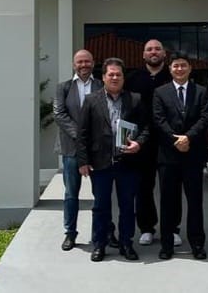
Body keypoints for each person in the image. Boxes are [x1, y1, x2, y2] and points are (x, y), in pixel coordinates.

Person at [77, 57, 149, 262]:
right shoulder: (91, 100)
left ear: (123, 77)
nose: (115, 77)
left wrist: (139, 144)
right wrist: (83, 161)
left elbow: (145, 128)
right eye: (111, 74)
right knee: (100, 206)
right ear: (104, 77)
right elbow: (83, 133)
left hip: (128, 163)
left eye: (118, 74)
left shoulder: (135, 99)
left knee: (127, 206)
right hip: (100, 163)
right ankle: (99, 244)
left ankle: (126, 243)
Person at [125, 39, 182, 247]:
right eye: (149, 49)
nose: (153, 52)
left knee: (171, 187)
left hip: (168, 140)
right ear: (143, 55)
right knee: (143, 187)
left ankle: (172, 228)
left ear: (164, 54)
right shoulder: (133, 79)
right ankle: (147, 227)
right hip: (142, 142)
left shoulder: (172, 77)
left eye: (157, 48)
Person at [153, 51, 208, 260]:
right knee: (168, 202)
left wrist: (188, 138)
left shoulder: (201, 91)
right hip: (168, 156)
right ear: (170, 69)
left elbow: (205, 118)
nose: (179, 69)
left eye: (183, 65)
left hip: (193, 155)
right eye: (176, 65)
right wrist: (176, 140)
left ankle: (197, 244)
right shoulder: (160, 92)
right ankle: (167, 245)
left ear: (190, 68)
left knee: (195, 202)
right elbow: (158, 120)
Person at [53, 49, 103, 251]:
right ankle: (70, 234)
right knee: (71, 194)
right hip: (71, 149)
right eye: (80, 62)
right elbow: (59, 114)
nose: (84, 65)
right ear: (74, 64)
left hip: (97, 149)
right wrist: (81, 135)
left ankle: (103, 232)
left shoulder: (101, 85)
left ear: (93, 63)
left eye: (87, 61)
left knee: (101, 194)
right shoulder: (63, 87)